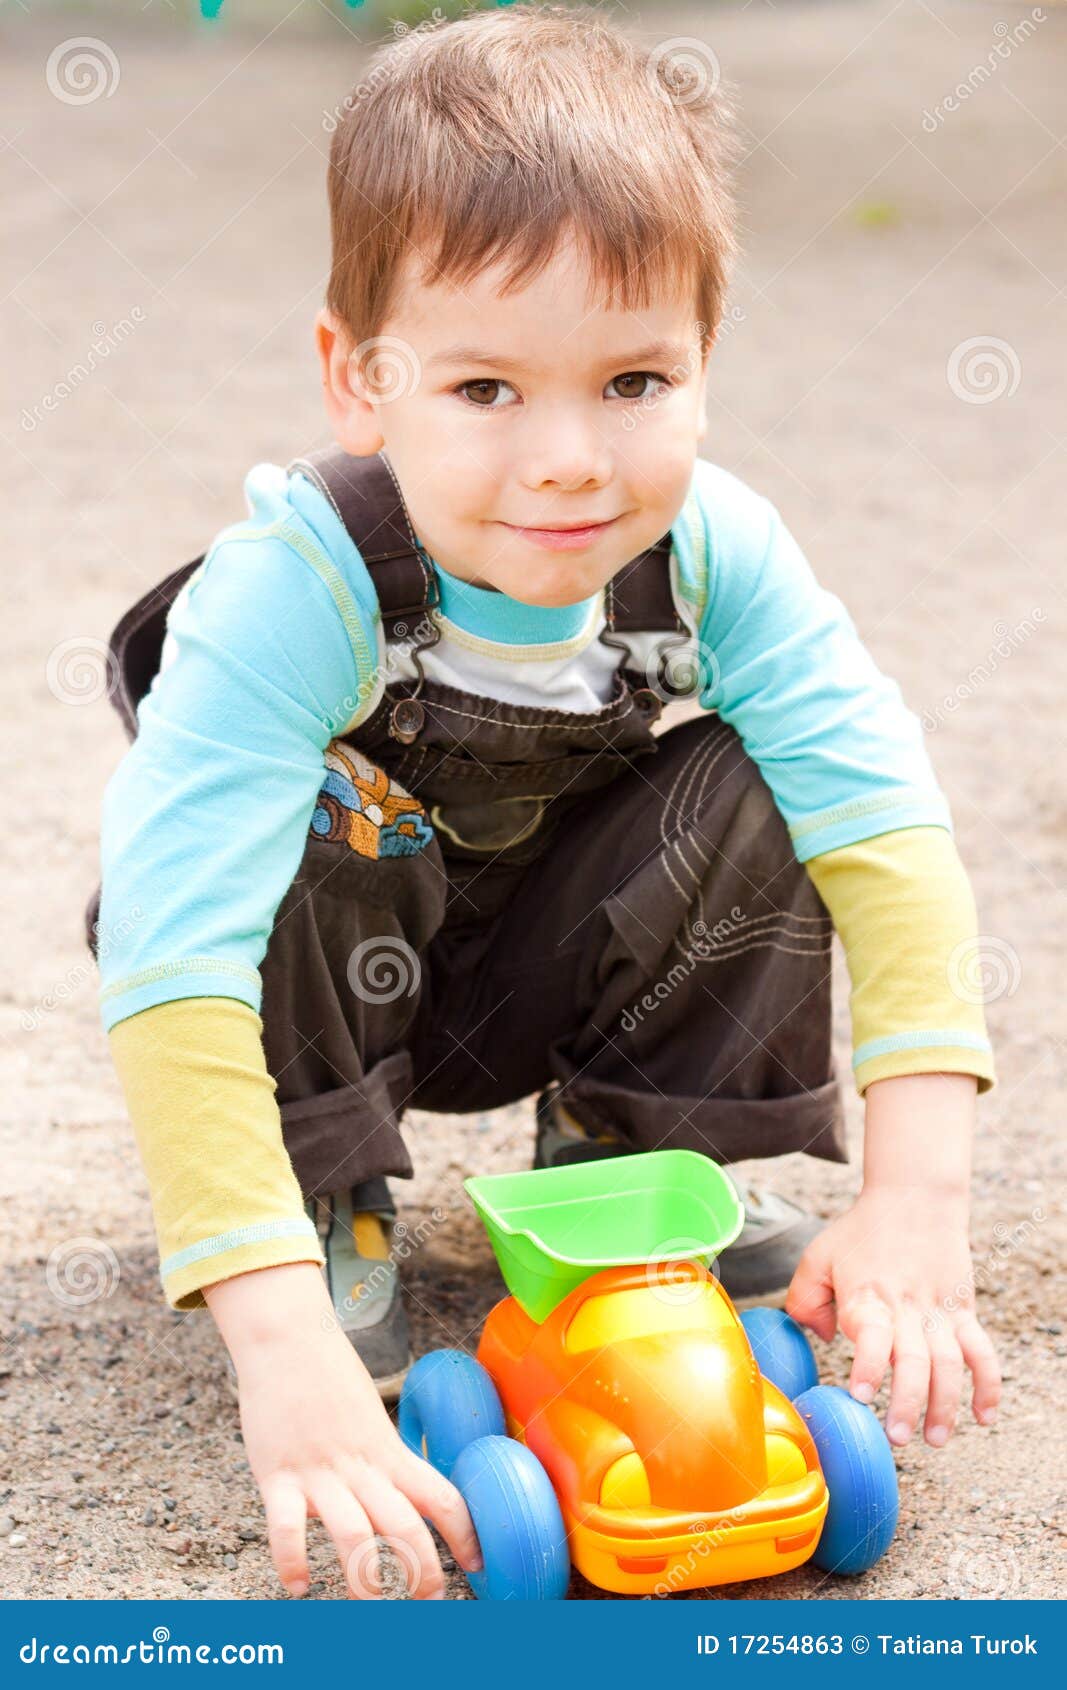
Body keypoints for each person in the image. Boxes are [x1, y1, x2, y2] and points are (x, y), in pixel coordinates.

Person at [87, 4, 1001, 1602]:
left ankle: (629, 1167)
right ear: (360, 379)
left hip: (548, 951)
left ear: (708, 363)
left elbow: (888, 829)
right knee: (320, 804)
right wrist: (278, 1344)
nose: (572, 459)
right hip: (332, 973)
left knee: (768, 777)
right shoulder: (298, 586)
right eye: (488, 388)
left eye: (635, 377)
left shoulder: (717, 552)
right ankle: (329, 1185)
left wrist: (919, 1201)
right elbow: (171, 962)